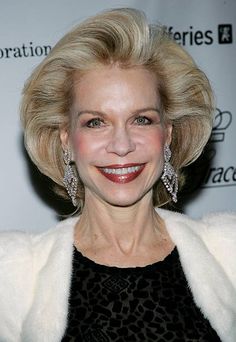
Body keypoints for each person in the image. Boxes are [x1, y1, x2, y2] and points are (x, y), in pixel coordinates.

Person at [0, 8, 236, 342]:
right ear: (66, 139)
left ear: (167, 134)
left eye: (142, 119)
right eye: (96, 122)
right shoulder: (13, 275)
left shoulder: (229, 253)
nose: (122, 145)